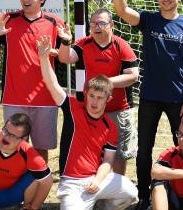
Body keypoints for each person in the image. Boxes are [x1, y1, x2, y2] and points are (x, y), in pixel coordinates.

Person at [112, 0, 183, 210]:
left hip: (178, 99)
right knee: (144, 150)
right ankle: (144, 196)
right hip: (150, 97)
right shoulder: (149, 20)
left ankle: (181, 194)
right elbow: (122, 11)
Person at [38, 36, 139, 210]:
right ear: (86, 94)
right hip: (73, 181)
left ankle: (101, 207)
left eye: (100, 98)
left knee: (131, 193)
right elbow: (51, 84)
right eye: (91, 96)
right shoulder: (73, 109)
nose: (94, 101)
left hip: (96, 180)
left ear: (108, 99)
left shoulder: (110, 125)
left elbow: (108, 161)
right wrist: (43, 58)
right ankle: (79, 208)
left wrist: (98, 180)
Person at [0, 0, 64, 163]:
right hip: (14, 97)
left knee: (40, 152)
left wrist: (55, 51)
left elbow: (64, 57)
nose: (26, 0)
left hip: (45, 97)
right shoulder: (8, 20)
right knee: (14, 148)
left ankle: (39, 187)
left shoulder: (54, 22)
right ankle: (17, 188)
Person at [57, 9, 139, 176]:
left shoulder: (121, 45)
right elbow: (65, 58)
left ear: (112, 26)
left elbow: (133, 76)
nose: (97, 27)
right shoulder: (84, 43)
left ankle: (116, 192)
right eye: (93, 23)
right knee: (94, 150)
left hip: (118, 109)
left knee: (118, 154)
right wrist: (65, 42)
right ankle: (95, 189)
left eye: (101, 23)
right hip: (92, 109)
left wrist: (105, 84)